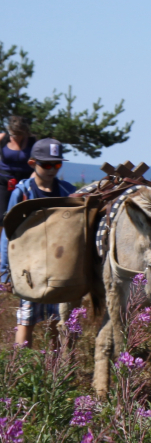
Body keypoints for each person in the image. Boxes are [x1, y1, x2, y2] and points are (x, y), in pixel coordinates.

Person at [0, 138, 76, 347]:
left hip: (59, 267)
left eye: (57, 164)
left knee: (57, 318)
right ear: (32, 163)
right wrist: (4, 269)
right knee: (27, 318)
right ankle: (20, 364)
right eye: (47, 164)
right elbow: (9, 232)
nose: (52, 169)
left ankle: (54, 370)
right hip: (30, 268)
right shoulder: (23, 192)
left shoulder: (68, 191)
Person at [1, 117, 36, 209]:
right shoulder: (3, 138)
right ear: (9, 129)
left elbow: (38, 162)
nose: (17, 136)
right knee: (1, 214)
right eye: (14, 134)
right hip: (4, 180)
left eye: (20, 134)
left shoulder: (32, 142)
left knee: (22, 211)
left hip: (25, 182)